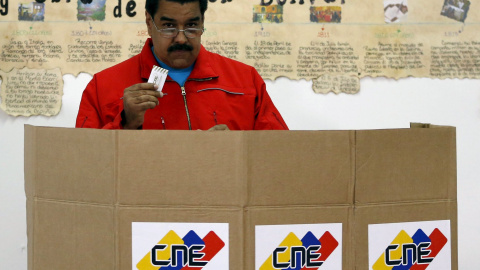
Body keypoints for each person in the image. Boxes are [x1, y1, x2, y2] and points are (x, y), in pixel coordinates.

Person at [76, 0, 288, 130]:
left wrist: (236, 149)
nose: (181, 38)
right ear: (149, 23)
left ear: (203, 22)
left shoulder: (246, 80)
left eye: (191, 26)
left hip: (222, 201)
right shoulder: (102, 87)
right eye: (168, 27)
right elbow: (85, 163)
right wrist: (125, 122)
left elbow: (277, 153)